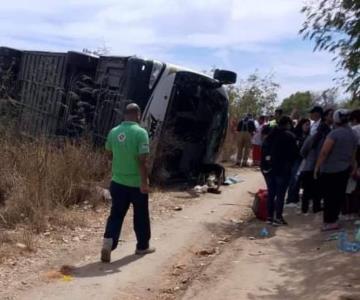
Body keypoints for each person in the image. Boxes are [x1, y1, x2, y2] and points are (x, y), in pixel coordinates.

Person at [101, 103, 155, 263]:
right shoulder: (141, 133)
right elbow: (142, 161)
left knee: (116, 215)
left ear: (124, 115)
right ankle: (142, 246)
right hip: (135, 184)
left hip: (117, 182)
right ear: (138, 115)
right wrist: (144, 182)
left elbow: (109, 153)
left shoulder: (114, 131)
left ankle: (108, 244)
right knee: (141, 215)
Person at [314, 109, 358, 231]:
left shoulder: (334, 134)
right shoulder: (353, 134)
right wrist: (353, 167)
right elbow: (353, 154)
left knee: (328, 197)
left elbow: (324, 152)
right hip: (344, 170)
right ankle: (334, 220)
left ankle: (328, 221)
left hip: (330, 170)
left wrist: (317, 166)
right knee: (338, 195)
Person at [261, 116, 298, 225]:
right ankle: (278, 217)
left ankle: (269, 217)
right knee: (280, 194)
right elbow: (295, 154)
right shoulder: (290, 136)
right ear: (287, 124)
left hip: (269, 170)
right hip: (282, 170)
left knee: (271, 193)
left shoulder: (270, 135)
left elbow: (264, 151)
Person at [300, 109, 334, 214]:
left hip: (308, 166)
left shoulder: (312, 137)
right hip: (320, 167)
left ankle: (304, 209)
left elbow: (303, 151)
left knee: (307, 189)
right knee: (318, 190)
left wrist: (308, 158)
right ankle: (316, 207)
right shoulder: (328, 139)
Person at [286, 118, 311, 205]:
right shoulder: (295, 135)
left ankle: (295, 198)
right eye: (306, 124)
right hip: (296, 160)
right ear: (301, 125)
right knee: (294, 179)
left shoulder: (309, 136)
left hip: (304, 161)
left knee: (299, 180)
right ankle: (290, 199)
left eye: (309, 125)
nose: (308, 127)